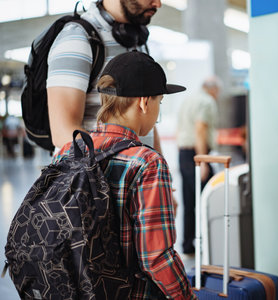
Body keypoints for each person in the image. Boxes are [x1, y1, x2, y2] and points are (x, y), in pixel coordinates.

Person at [54, 51, 197, 299]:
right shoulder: (147, 163)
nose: (156, 114)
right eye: (159, 103)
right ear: (143, 102)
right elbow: (157, 258)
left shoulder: (69, 150)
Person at [47, 0, 162, 152]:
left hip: (139, 170)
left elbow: (146, 119)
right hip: (99, 173)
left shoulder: (136, 41)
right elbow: (63, 132)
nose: (158, 4)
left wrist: (157, 161)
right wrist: (128, 161)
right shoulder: (77, 38)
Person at [176, 76, 221, 255]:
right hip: (197, 153)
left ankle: (188, 245)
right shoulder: (207, 101)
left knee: (189, 202)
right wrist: (202, 161)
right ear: (213, 89)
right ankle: (206, 246)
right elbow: (200, 128)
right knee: (205, 200)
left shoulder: (188, 99)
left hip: (183, 152)